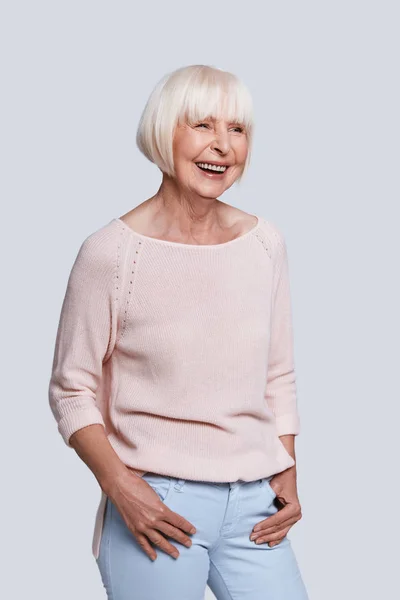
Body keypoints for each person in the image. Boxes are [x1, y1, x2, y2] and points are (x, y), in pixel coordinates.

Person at [48, 64, 309, 600]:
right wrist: (121, 488)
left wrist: (286, 465)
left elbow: (278, 373)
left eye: (237, 130)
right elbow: (70, 391)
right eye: (201, 125)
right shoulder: (112, 254)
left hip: (256, 504)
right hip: (156, 503)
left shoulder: (265, 244)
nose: (222, 146)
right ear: (163, 131)